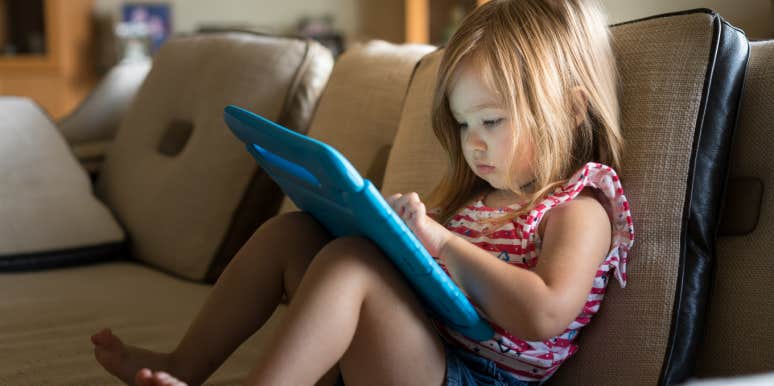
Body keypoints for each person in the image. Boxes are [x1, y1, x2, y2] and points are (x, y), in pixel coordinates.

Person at [91, 0, 634, 385]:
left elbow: (544, 314)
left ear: (571, 105)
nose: (474, 143)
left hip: (470, 378)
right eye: (464, 124)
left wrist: (440, 243)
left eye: (491, 119)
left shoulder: (579, 208)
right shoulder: (476, 200)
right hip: (415, 352)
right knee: (294, 233)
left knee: (352, 263)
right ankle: (185, 365)